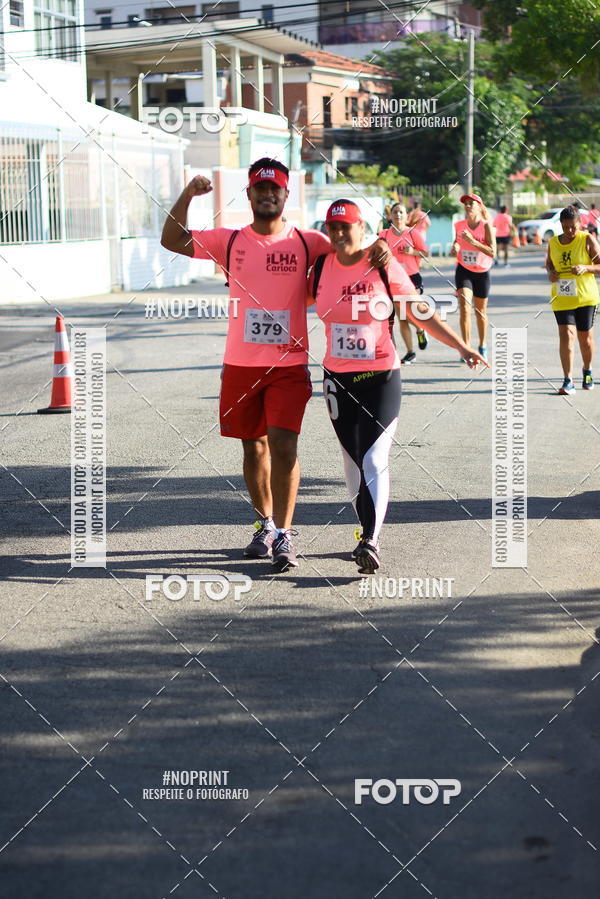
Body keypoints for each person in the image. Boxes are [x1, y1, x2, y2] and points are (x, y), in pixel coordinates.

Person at [160, 158, 390, 572]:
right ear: (249, 194)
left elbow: (351, 250)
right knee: (254, 447)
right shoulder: (229, 241)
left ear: (286, 195)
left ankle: (285, 532)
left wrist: (381, 247)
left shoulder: (308, 242)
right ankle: (264, 524)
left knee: (284, 446)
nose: (268, 195)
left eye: (276, 189)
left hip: (288, 365)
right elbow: (172, 239)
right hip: (240, 364)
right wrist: (189, 195)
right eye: (260, 188)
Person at [308, 199, 487, 573]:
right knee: (351, 458)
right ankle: (364, 531)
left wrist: (462, 345)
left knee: (374, 457)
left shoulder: (382, 264)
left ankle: (372, 539)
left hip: (381, 376)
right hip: (336, 379)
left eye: (347, 226)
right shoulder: (321, 265)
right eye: (333, 227)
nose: (340, 233)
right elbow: (288, 295)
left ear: (363, 228)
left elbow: (419, 312)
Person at [546, 205, 600, 394]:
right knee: (566, 335)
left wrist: (587, 268)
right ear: (560, 224)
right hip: (562, 297)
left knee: (585, 338)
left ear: (580, 224)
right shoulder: (553, 242)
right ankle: (568, 380)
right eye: (565, 227)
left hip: (586, 298)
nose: (569, 231)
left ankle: (587, 371)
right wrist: (550, 273)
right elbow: (549, 264)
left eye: (573, 227)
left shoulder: (587, 240)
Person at [379, 202, 429, 363]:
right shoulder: (384, 235)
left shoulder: (413, 233)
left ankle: (421, 329)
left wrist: (413, 251)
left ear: (406, 215)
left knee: (407, 312)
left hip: (412, 278)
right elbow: (377, 253)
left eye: (401, 212)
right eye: (395, 212)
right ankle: (410, 352)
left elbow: (425, 253)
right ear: (390, 216)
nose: (398, 215)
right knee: (401, 316)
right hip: (393, 279)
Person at [451, 194, 496, 361]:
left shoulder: (486, 227)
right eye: (466, 204)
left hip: (482, 272)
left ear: (479, 206)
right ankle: (466, 348)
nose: (468, 206)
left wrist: (473, 242)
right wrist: (455, 248)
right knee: (464, 308)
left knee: (480, 312)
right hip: (464, 269)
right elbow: (456, 241)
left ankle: (482, 345)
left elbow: (493, 252)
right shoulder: (459, 225)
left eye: (471, 203)